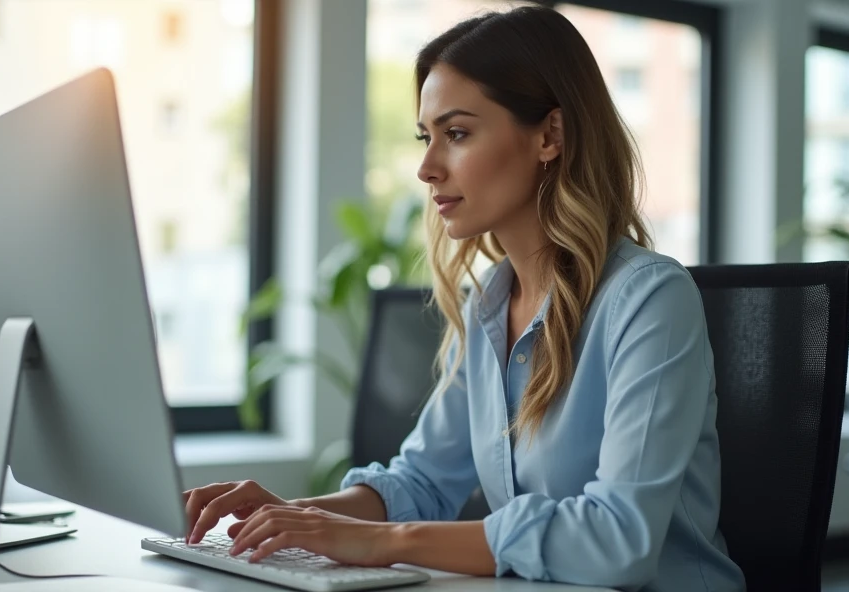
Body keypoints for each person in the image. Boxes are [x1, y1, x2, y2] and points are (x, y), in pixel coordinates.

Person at [184, 6, 746, 590]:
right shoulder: (487, 309)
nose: (427, 168)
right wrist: (293, 517)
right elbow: (422, 483)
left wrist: (384, 542)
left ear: (549, 135)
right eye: (427, 137)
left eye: (456, 134)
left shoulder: (649, 300)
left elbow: (617, 540)